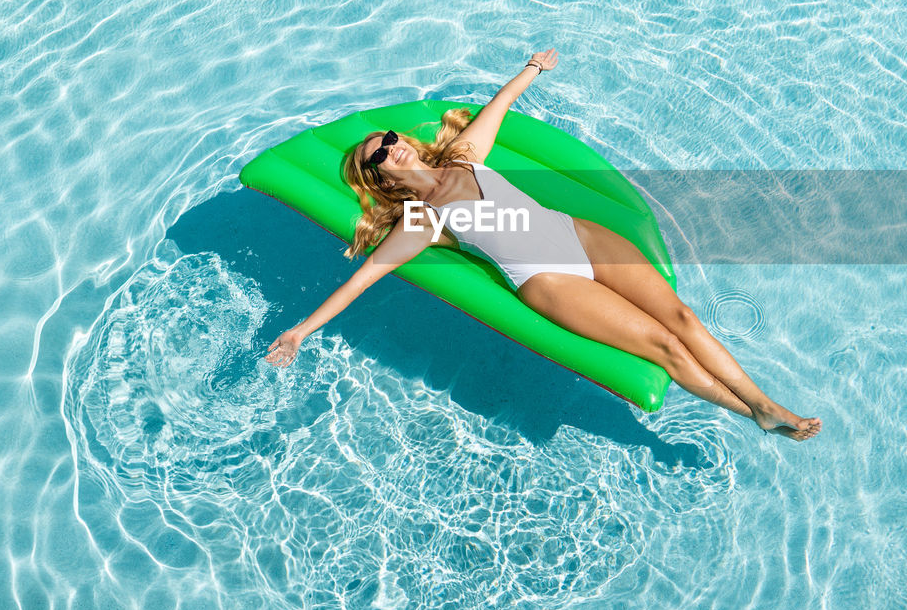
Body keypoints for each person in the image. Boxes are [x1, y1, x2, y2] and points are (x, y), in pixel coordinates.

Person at [265, 49, 821, 441]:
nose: (390, 146)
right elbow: (363, 280)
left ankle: (762, 401)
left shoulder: (461, 158)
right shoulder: (421, 220)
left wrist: (531, 68)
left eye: (388, 138)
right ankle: (758, 411)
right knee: (665, 348)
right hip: (548, 281)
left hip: (576, 233)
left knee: (682, 316)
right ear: (381, 179)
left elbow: (496, 111)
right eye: (378, 154)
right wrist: (298, 331)